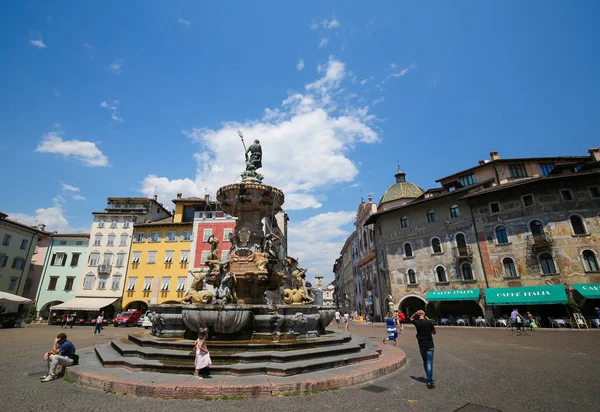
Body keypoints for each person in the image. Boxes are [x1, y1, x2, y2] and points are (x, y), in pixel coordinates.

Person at [400, 310, 436, 389]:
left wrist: (415, 313)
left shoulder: (417, 323)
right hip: (430, 345)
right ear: (424, 314)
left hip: (422, 345)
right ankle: (429, 380)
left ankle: (428, 376)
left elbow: (411, 318)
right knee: (429, 362)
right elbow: (434, 332)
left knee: (425, 361)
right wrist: (428, 319)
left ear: (418, 315)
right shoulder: (429, 322)